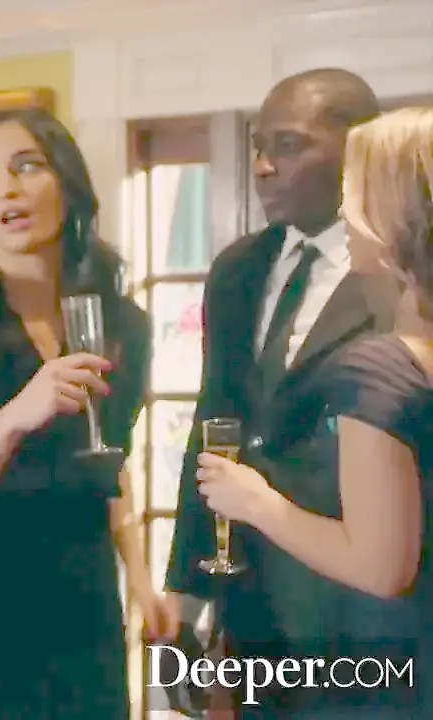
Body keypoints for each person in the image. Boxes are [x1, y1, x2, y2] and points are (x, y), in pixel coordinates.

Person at [0, 105, 170, 718]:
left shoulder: (124, 325)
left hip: (84, 607)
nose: (7, 189)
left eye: (27, 166)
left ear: (67, 184)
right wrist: (13, 419)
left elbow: (106, 464)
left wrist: (140, 578)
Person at [163, 69, 395, 714]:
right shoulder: (237, 269)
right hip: (253, 612)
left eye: (288, 145)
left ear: (357, 147)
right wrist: (187, 592)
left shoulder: (403, 269)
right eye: (258, 147)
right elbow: (213, 425)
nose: (263, 167)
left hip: (367, 613)